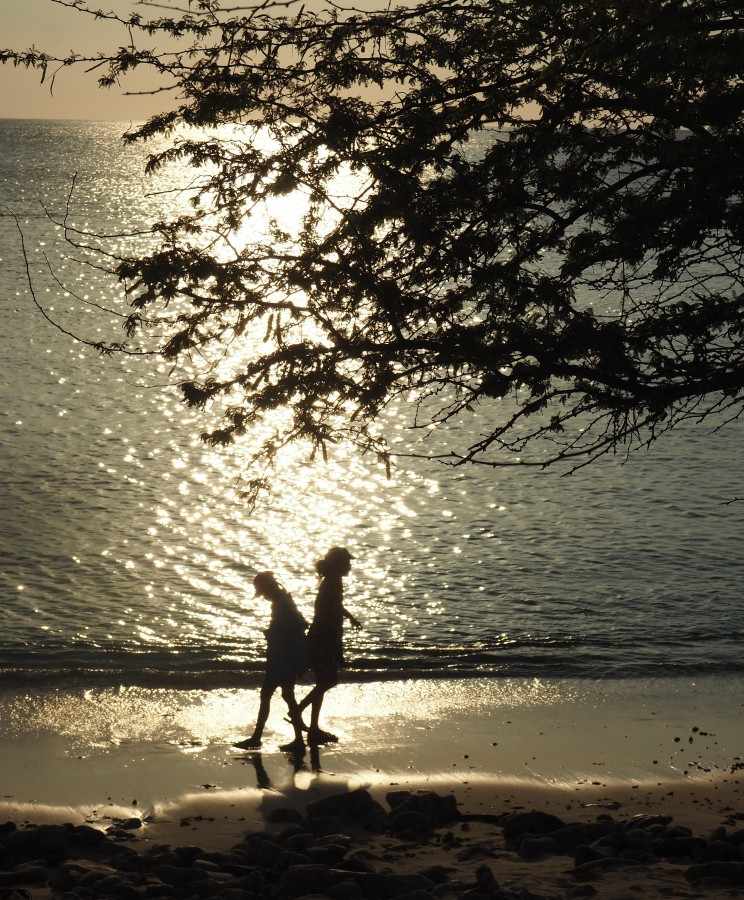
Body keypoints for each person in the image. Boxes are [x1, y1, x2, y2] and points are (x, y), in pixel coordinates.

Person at [234, 571, 310, 753]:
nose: (264, 597)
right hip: (287, 656)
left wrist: (273, 632)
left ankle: (257, 738)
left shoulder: (281, 605)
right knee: (288, 696)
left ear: (268, 589)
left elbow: (291, 630)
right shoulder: (285, 601)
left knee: (267, 694)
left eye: (263, 593)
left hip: (282, 658)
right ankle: (298, 739)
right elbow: (303, 625)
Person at [298, 546, 362, 745]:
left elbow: (335, 607)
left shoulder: (333, 582)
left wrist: (350, 618)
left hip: (324, 636)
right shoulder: (331, 584)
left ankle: (314, 728)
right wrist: (335, 647)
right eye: (347, 562)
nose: (350, 566)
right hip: (324, 637)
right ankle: (297, 710)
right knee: (328, 681)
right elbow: (326, 614)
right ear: (339, 565)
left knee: (323, 682)